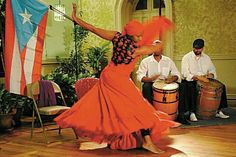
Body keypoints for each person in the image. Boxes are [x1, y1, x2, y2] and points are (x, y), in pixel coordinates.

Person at [54, 3, 180, 154]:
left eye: (141, 35)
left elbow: (93, 29)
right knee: (140, 109)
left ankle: (124, 140)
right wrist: (160, 38)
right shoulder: (136, 50)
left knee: (118, 110)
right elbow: (158, 48)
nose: (140, 38)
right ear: (130, 35)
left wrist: (76, 18)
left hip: (108, 76)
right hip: (117, 80)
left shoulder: (116, 36)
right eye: (138, 36)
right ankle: (147, 142)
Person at [136, 41, 190, 125]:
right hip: (151, 83)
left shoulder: (168, 61)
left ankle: (181, 115)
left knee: (182, 86)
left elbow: (176, 74)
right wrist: (151, 78)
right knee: (146, 87)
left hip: (166, 83)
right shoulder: (146, 61)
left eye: (158, 48)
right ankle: (150, 116)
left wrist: (172, 79)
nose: (156, 50)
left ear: (162, 49)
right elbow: (140, 77)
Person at [181, 38, 229, 122]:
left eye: (199, 49)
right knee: (191, 87)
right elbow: (185, 73)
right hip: (192, 79)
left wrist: (211, 74)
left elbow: (212, 70)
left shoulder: (206, 58)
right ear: (193, 48)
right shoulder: (186, 57)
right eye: (195, 48)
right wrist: (198, 77)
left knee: (221, 86)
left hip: (205, 79)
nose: (197, 50)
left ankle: (218, 110)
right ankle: (192, 112)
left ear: (202, 48)